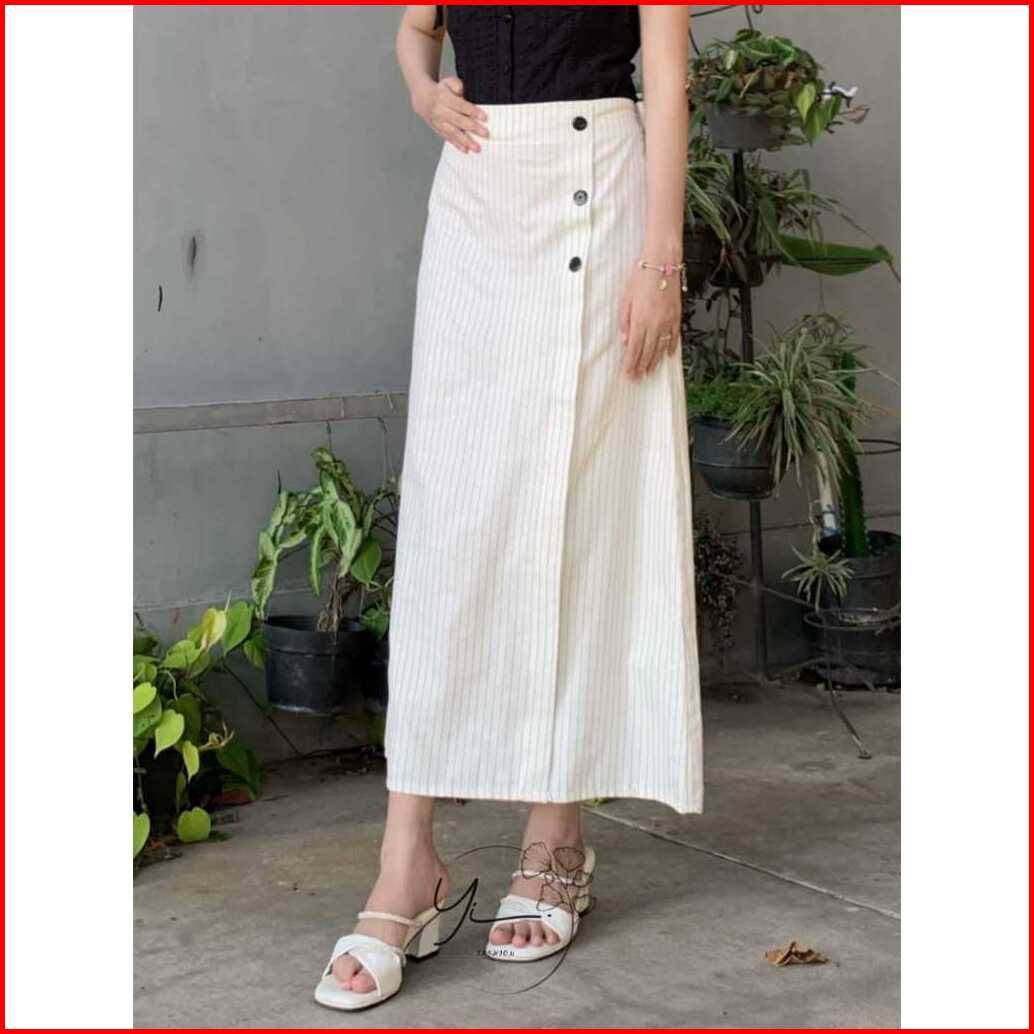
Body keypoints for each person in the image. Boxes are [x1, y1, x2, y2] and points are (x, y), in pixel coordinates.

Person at [315, 5, 701, 1011]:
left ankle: (555, 833)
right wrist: (422, 91)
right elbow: (417, 29)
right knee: (450, 524)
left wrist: (660, 259)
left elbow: (666, 76)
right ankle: (408, 860)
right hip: (478, 198)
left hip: (598, 194)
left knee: (576, 511)